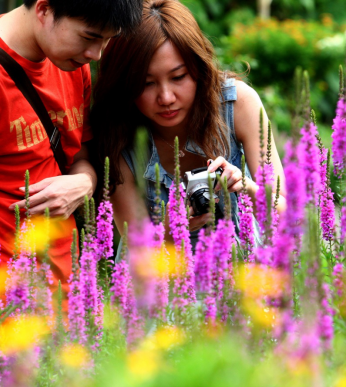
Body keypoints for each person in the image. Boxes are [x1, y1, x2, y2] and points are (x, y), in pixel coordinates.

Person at [90, 0, 285, 248]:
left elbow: (288, 217)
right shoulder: (117, 138)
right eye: (147, 83)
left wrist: (245, 187)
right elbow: (138, 247)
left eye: (178, 77)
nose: (166, 98)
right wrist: (169, 231)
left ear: (199, 69)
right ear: (125, 85)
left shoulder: (238, 104)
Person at [0, 0, 142, 290]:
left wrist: (84, 183)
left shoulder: (71, 65)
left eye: (106, 40)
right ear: (44, 10)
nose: (95, 54)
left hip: (67, 294)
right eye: (89, 37)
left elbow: (78, 154)